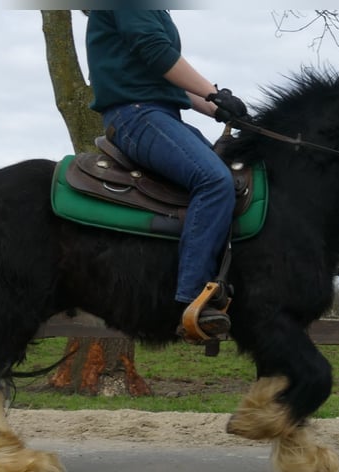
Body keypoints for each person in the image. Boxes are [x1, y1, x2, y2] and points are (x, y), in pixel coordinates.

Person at [84, 9, 248, 339]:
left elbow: (167, 78)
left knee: (230, 174)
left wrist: (221, 107)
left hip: (161, 114)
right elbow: (157, 52)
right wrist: (213, 92)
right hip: (137, 113)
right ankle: (191, 300)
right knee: (214, 181)